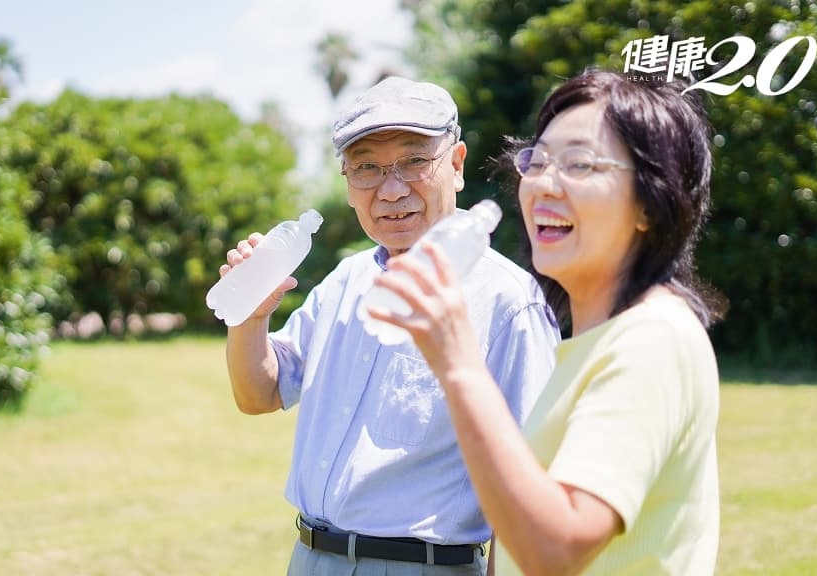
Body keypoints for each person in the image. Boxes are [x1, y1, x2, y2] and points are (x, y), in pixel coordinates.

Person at [367, 69, 726, 575]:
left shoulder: (652, 339)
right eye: (537, 160)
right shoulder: (593, 341)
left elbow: (556, 549)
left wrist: (459, 364)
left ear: (651, 201)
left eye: (580, 164)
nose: (542, 184)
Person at [218, 76, 560, 575]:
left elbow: (530, 484)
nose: (391, 189)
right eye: (366, 169)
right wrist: (250, 319)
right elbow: (259, 395)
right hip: (311, 559)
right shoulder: (344, 282)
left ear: (458, 165)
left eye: (414, 161)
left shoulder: (509, 301)